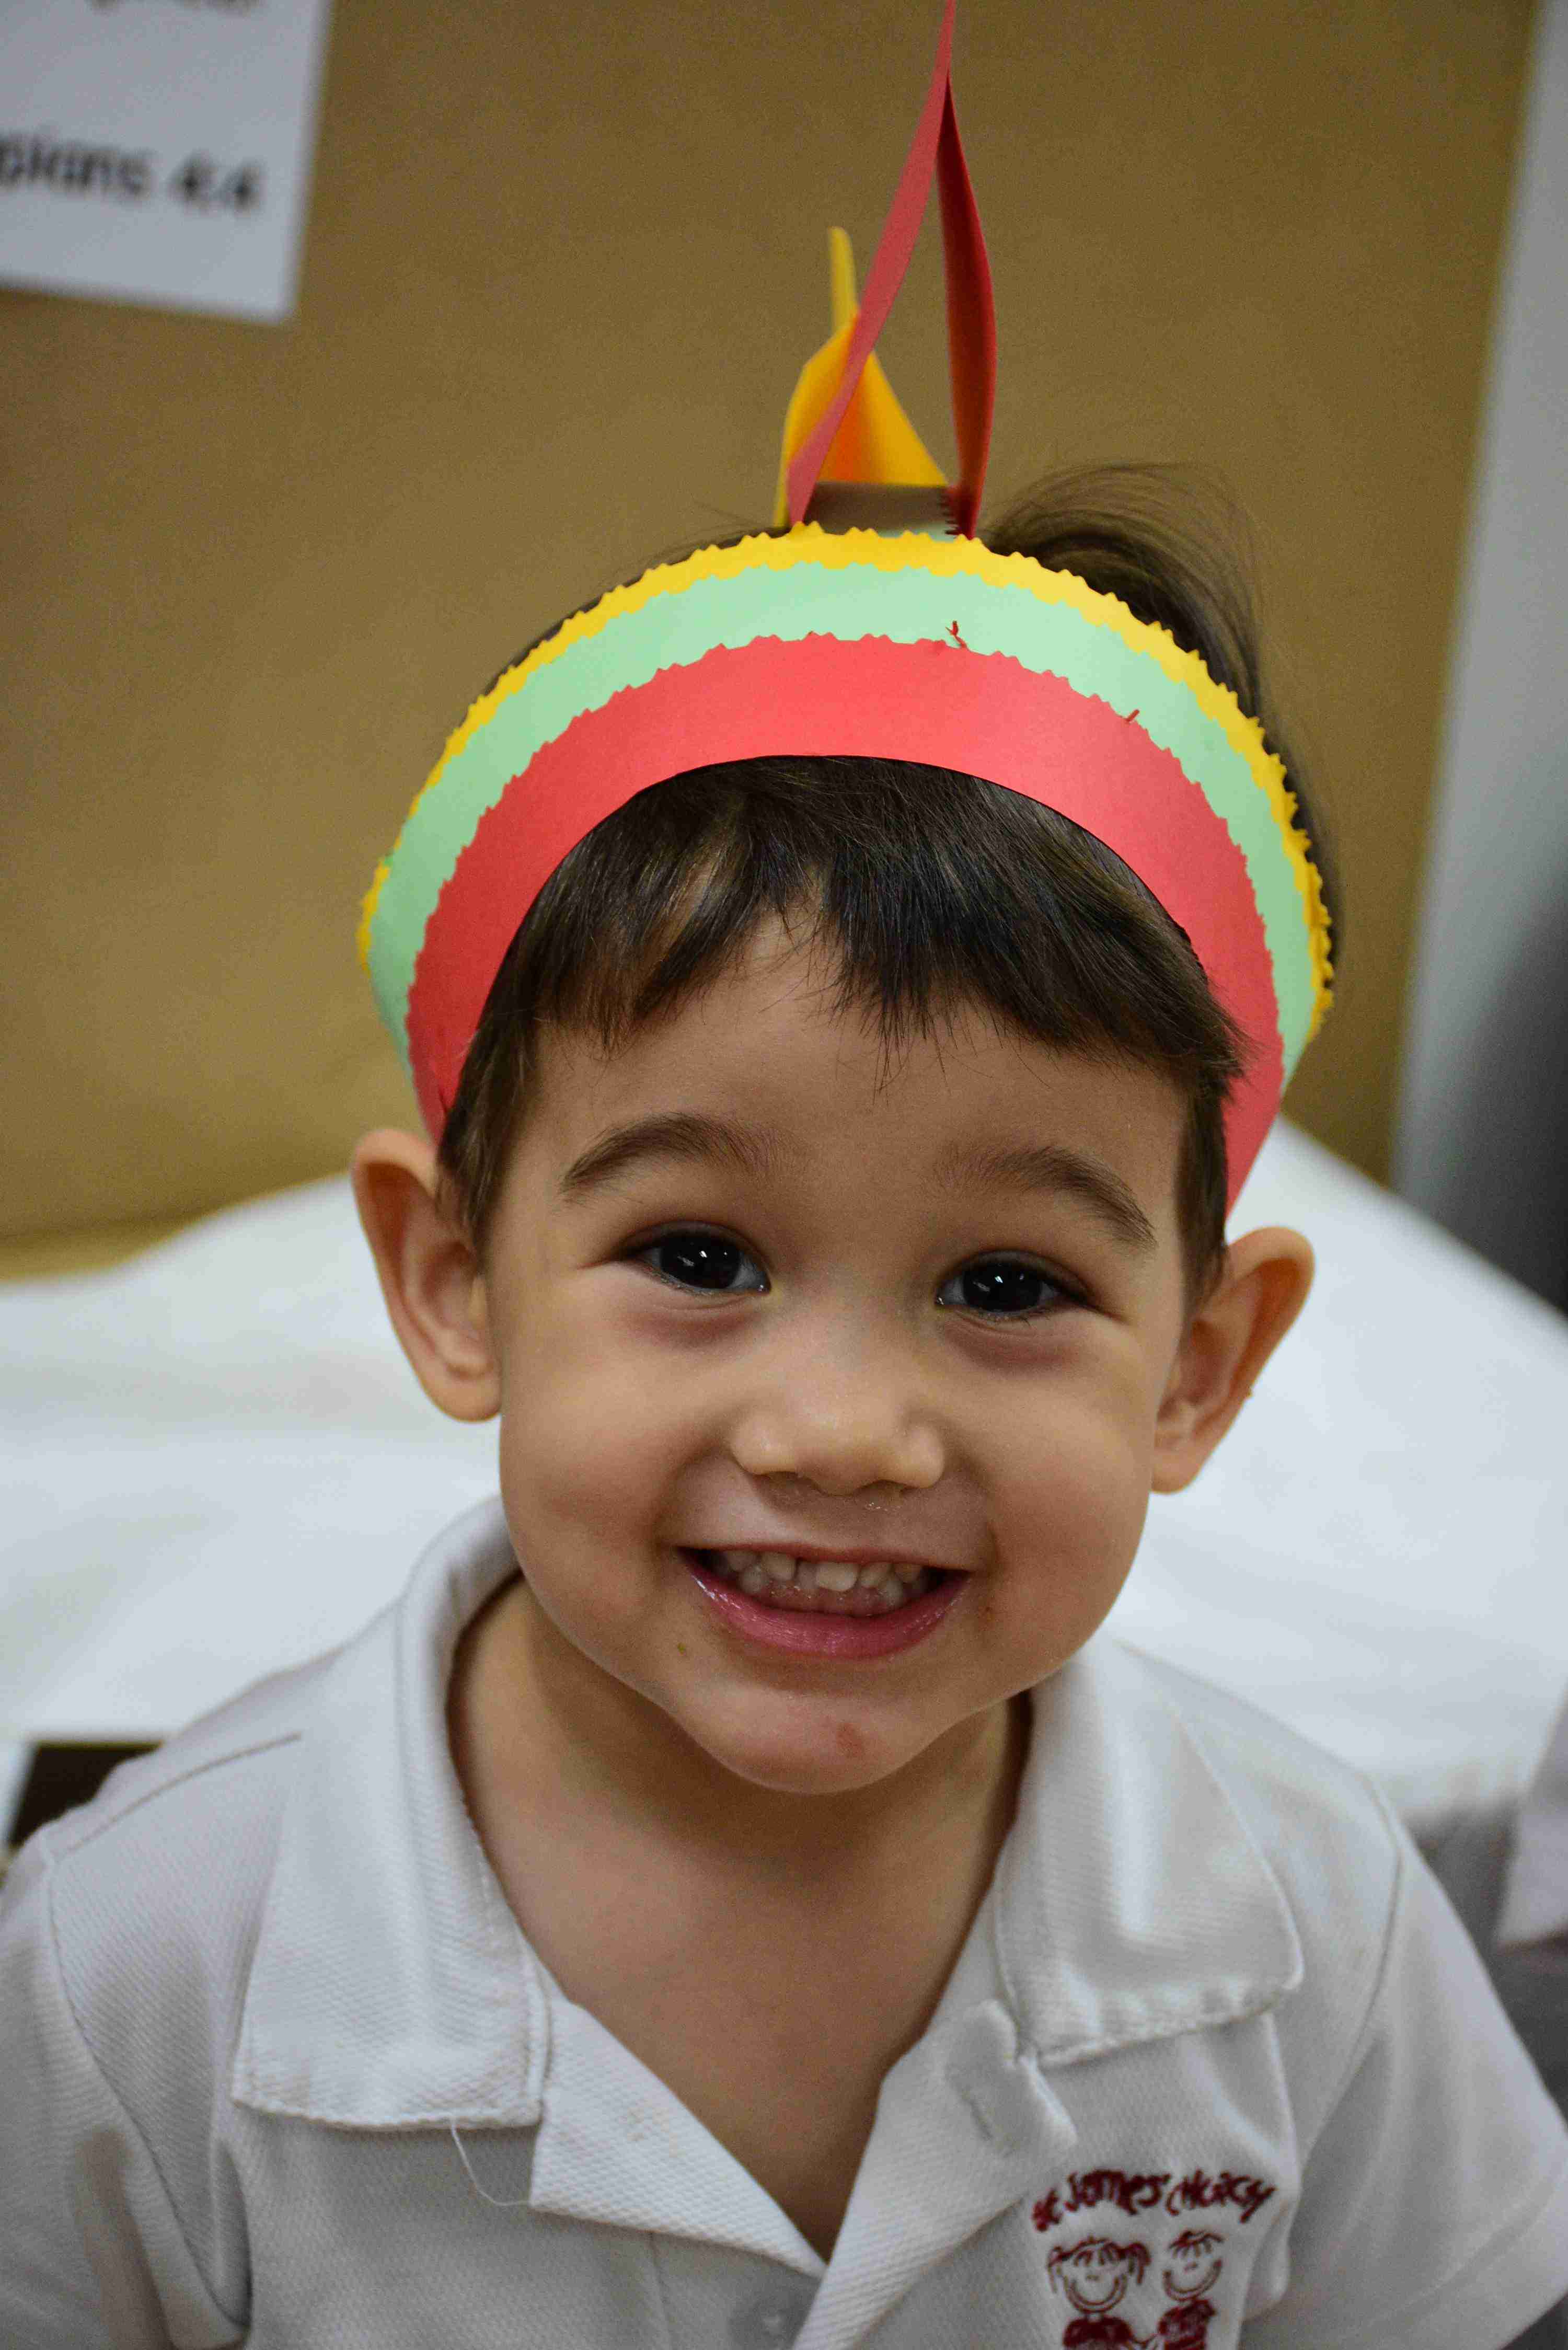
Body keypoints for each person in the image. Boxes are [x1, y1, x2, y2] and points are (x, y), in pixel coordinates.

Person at [4, 7, 1567, 2344]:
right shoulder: (136, 1970)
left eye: (1009, 1282)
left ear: (1202, 1362)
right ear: (452, 1278)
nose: (846, 1430)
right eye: (700, 1251)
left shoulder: (1309, 1924)